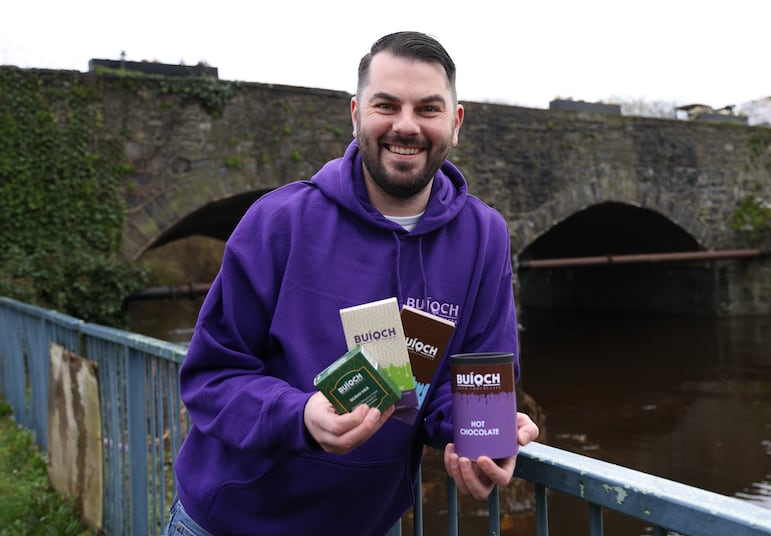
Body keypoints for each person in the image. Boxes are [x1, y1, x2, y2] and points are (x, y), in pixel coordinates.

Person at [165, 30, 539, 536]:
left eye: (428, 109)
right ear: (356, 113)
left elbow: (476, 378)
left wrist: (484, 436)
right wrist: (299, 416)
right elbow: (210, 378)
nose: (405, 126)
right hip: (232, 522)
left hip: (368, 525)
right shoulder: (278, 221)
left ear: (455, 124)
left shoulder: (484, 235)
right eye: (386, 104)